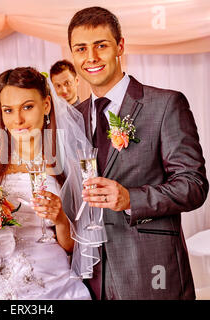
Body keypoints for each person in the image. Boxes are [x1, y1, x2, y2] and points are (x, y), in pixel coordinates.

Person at [68, 6, 208, 299]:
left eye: (101, 46)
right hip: (89, 278)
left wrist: (131, 198)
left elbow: (193, 186)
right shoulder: (72, 118)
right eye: (81, 48)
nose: (90, 57)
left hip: (150, 271)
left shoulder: (166, 104)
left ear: (119, 46)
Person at [0, 67, 91, 300]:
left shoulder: (65, 162)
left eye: (27, 107)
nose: (18, 120)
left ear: (47, 105)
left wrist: (59, 218)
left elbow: (74, 246)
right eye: (8, 110)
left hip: (54, 283)